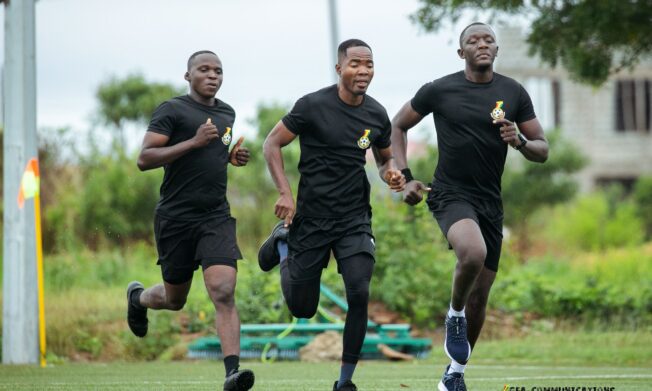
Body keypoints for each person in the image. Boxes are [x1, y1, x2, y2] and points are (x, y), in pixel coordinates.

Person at [391, 23, 549, 391]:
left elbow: (542, 148)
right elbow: (398, 125)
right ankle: (454, 314)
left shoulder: (513, 92)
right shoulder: (439, 90)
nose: (482, 44)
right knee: (472, 253)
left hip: (490, 202)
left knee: (482, 293)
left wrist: (521, 141)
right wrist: (407, 176)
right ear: (461, 53)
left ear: (496, 50)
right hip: (449, 192)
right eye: (472, 41)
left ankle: (454, 376)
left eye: (488, 40)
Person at [257, 39, 405, 391]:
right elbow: (271, 143)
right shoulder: (312, 106)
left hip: (354, 219)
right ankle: (283, 243)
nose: (363, 70)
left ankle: (345, 381)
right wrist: (284, 192)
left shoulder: (376, 114)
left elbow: (385, 158)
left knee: (358, 291)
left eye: (369, 64)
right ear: (339, 68)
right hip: (311, 218)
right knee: (303, 308)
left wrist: (392, 173)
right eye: (355, 63)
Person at [126, 50, 255, 391]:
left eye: (218, 71)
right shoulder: (172, 110)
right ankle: (138, 298)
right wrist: (194, 141)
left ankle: (232, 373)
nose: (213, 76)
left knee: (223, 290)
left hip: (215, 216)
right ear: (188, 76)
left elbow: (211, 155)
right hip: (175, 219)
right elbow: (145, 158)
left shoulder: (227, 112)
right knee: (174, 299)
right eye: (204, 70)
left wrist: (230, 157)